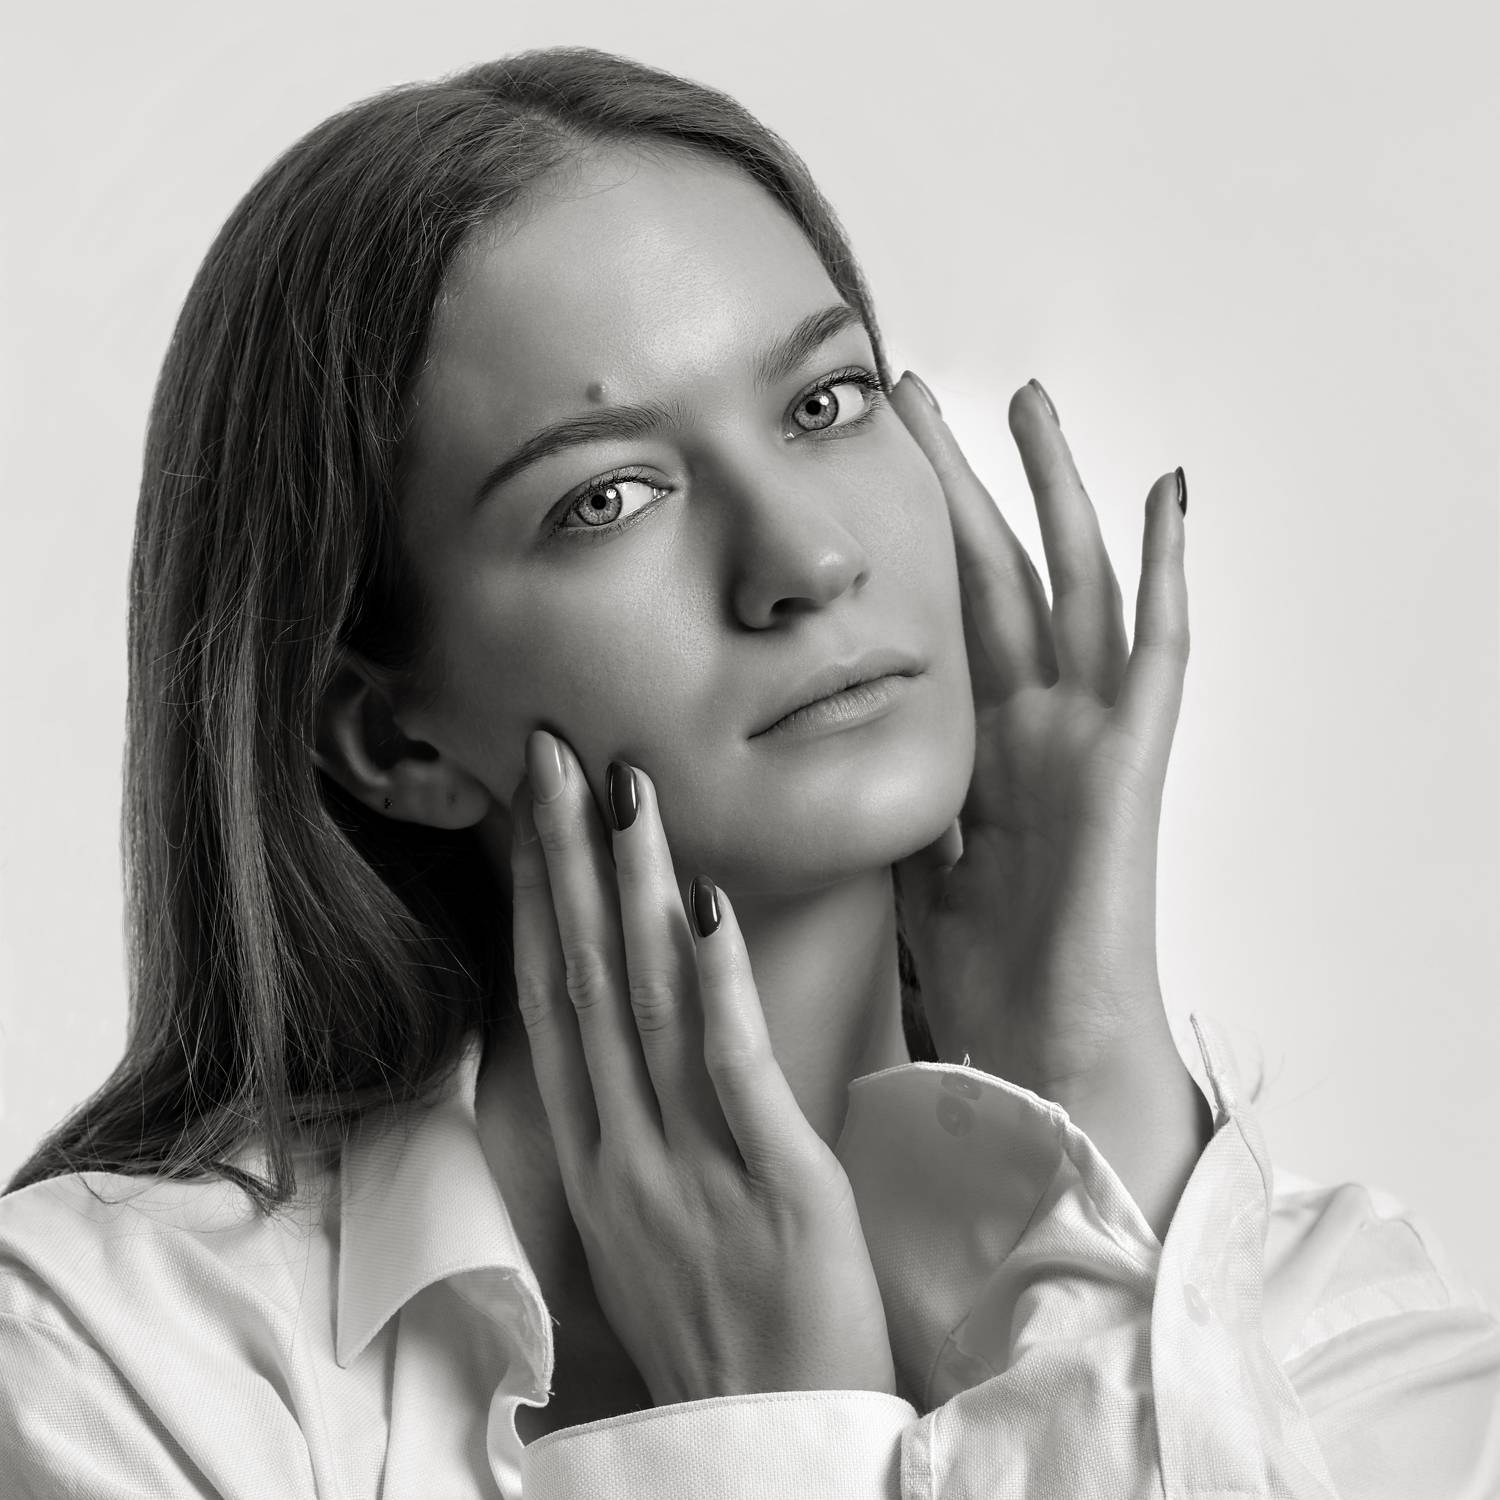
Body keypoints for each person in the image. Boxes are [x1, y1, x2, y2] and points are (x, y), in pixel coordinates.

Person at [1, 45, 1495, 1499]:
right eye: (607, 496)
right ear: (394, 740)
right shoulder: (119, 1357)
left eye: (825, 404)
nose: (808, 558)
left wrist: (1096, 1098)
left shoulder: (1327, 1324)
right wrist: (767, 1428)